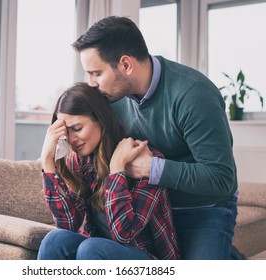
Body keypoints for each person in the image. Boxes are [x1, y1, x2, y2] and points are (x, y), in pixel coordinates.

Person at [72, 16, 240, 260]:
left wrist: (153, 168)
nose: (91, 83)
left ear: (126, 65)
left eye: (96, 73)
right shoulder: (112, 97)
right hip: (150, 207)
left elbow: (221, 178)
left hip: (203, 208)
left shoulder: (193, 94)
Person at [38, 82, 180, 260]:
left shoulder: (144, 160)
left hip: (148, 259)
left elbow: (124, 234)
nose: (72, 139)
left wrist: (117, 170)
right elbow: (68, 226)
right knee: (55, 240)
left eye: (78, 128)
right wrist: (47, 162)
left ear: (100, 119)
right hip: (96, 253)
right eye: (67, 132)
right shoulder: (80, 161)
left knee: (92, 247)